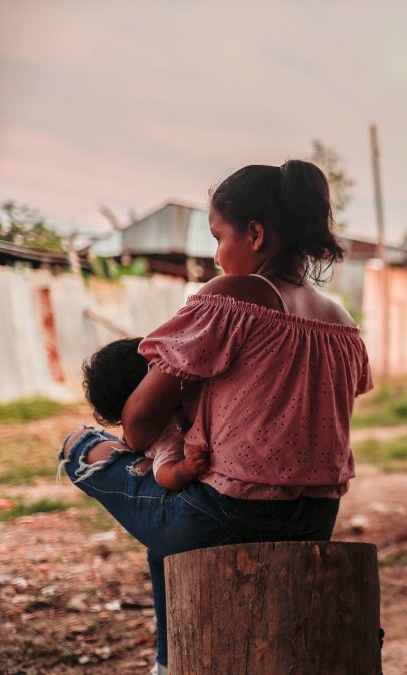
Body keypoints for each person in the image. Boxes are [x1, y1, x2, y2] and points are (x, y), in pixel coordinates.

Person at [58, 160, 373, 674]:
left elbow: (137, 424)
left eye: (217, 235)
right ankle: (168, 662)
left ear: (254, 234)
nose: (216, 254)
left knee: (78, 445)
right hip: (316, 522)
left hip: (226, 520)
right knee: (171, 512)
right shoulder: (341, 324)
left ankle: (168, 664)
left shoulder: (234, 297)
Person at [79, 337, 205, 490]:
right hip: (186, 496)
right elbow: (162, 474)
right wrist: (186, 468)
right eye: (155, 366)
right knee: (76, 442)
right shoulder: (168, 433)